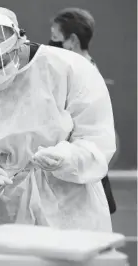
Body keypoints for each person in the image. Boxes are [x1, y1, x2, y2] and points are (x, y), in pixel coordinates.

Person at [0, 7, 116, 233]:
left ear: (19, 42)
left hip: (70, 207)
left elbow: (97, 139)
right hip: (3, 210)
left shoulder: (70, 69)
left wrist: (66, 158)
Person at [49, 7, 117, 214]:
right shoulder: (78, 67)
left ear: (72, 41)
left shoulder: (82, 74)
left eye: (55, 37)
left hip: (79, 156)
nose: (50, 44)